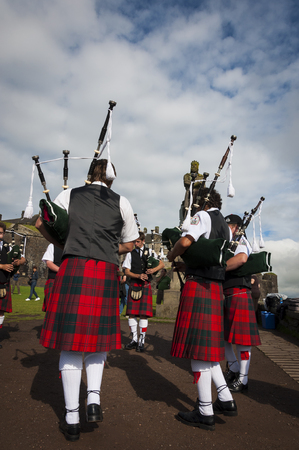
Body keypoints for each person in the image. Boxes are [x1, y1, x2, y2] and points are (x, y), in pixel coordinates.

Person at [36, 159, 139, 442]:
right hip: (105, 270)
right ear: (111, 180)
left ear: (89, 175)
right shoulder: (123, 202)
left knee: (70, 343)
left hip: (74, 267)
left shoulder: (69, 194)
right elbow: (130, 243)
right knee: (98, 340)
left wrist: (63, 243)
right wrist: (108, 245)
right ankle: (93, 398)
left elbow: (41, 221)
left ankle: (71, 418)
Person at [167, 188, 237, 431]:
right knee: (207, 352)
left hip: (199, 287)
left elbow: (186, 241)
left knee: (198, 351)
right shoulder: (226, 227)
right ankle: (225, 398)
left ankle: (205, 410)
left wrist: (172, 253)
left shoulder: (203, 217)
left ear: (200, 204)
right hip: (216, 288)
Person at [223, 214, 261, 393]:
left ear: (237, 227)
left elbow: (241, 260)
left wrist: (219, 267)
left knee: (242, 341)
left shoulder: (242, 241)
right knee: (222, 336)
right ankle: (234, 368)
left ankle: (243, 379)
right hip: (226, 293)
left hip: (239, 292)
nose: (227, 228)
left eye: (230, 226)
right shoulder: (226, 244)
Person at [122, 231, 164, 352]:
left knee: (143, 315)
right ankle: (134, 339)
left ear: (143, 241)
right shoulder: (130, 254)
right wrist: (138, 275)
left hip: (145, 285)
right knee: (131, 314)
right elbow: (126, 271)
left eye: (138, 241)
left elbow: (161, 264)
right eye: (134, 241)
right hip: (134, 283)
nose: (135, 243)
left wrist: (153, 270)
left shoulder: (150, 252)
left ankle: (142, 341)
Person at [0, 222, 26, 348]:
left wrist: (17, 262)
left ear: (4, 233)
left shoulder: (7, 246)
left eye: (0, 233)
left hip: (4, 282)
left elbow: (23, 259)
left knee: (1, 312)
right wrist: (2, 266)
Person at [42, 243, 63, 312]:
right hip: (54, 279)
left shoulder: (75, 246)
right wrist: (64, 272)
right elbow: (49, 263)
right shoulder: (53, 245)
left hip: (70, 281)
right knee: (51, 308)